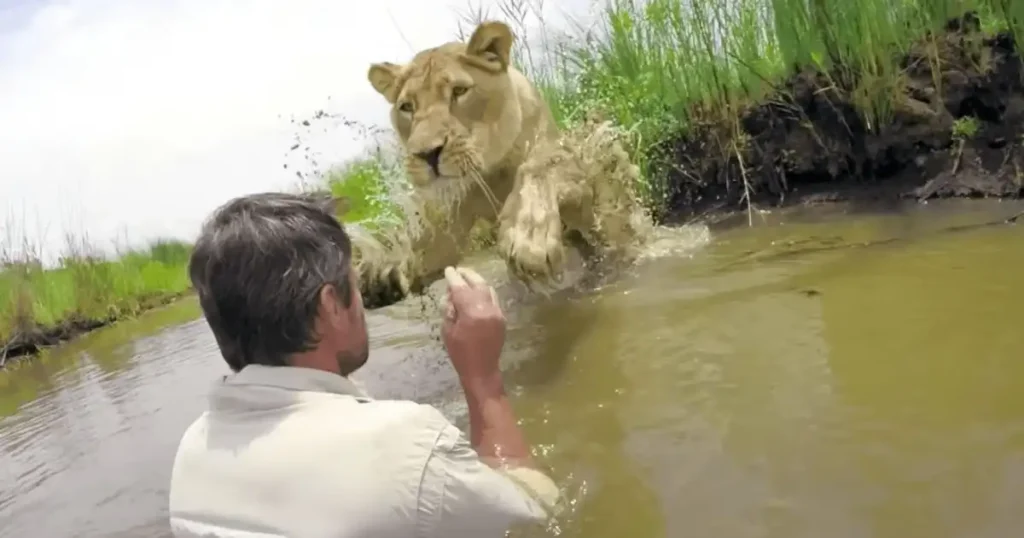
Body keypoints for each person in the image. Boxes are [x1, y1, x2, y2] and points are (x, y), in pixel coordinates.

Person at [168, 192, 561, 537]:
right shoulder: (405, 446)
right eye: (353, 286)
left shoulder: (191, 455)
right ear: (329, 306)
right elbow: (535, 518)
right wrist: (483, 378)